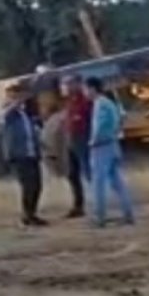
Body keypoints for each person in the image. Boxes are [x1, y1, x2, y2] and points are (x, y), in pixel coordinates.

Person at [84, 77, 136, 226]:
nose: (85, 92)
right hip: (113, 144)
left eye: (86, 89)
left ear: (92, 88)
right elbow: (119, 120)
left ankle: (100, 217)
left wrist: (93, 140)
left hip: (102, 146)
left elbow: (100, 125)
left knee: (98, 183)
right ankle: (128, 214)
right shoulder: (110, 103)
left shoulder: (100, 104)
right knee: (118, 182)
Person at [0, 84, 47, 227]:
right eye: (17, 95)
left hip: (31, 153)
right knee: (28, 185)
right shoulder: (9, 113)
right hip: (19, 155)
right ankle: (27, 215)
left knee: (37, 185)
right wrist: (14, 103)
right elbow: (4, 115)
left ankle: (31, 213)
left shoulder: (24, 114)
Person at [61, 75, 92, 218]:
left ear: (77, 84)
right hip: (70, 140)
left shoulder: (85, 100)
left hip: (82, 138)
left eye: (68, 83)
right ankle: (78, 205)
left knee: (88, 172)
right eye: (64, 84)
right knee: (72, 174)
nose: (65, 87)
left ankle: (95, 203)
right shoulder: (69, 102)